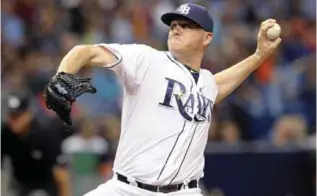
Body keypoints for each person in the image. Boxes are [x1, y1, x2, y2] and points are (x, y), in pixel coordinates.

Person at [44, 3, 281, 196]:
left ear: (207, 37)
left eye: (187, 26)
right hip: (126, 189)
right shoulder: (147, 59)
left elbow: (219, 85)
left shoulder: (206, 82)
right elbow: (86, 51)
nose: (176, 28)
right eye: (174, 25)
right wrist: (63, 74)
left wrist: (259, 55)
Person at [1, 91, 72, 196]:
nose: (14, 120)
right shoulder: (6, 134)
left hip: (46, 188)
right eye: (11, 116)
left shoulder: (45, 135)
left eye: (18, 116)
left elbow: (61, 175)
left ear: (28, 114)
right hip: (20, 186)